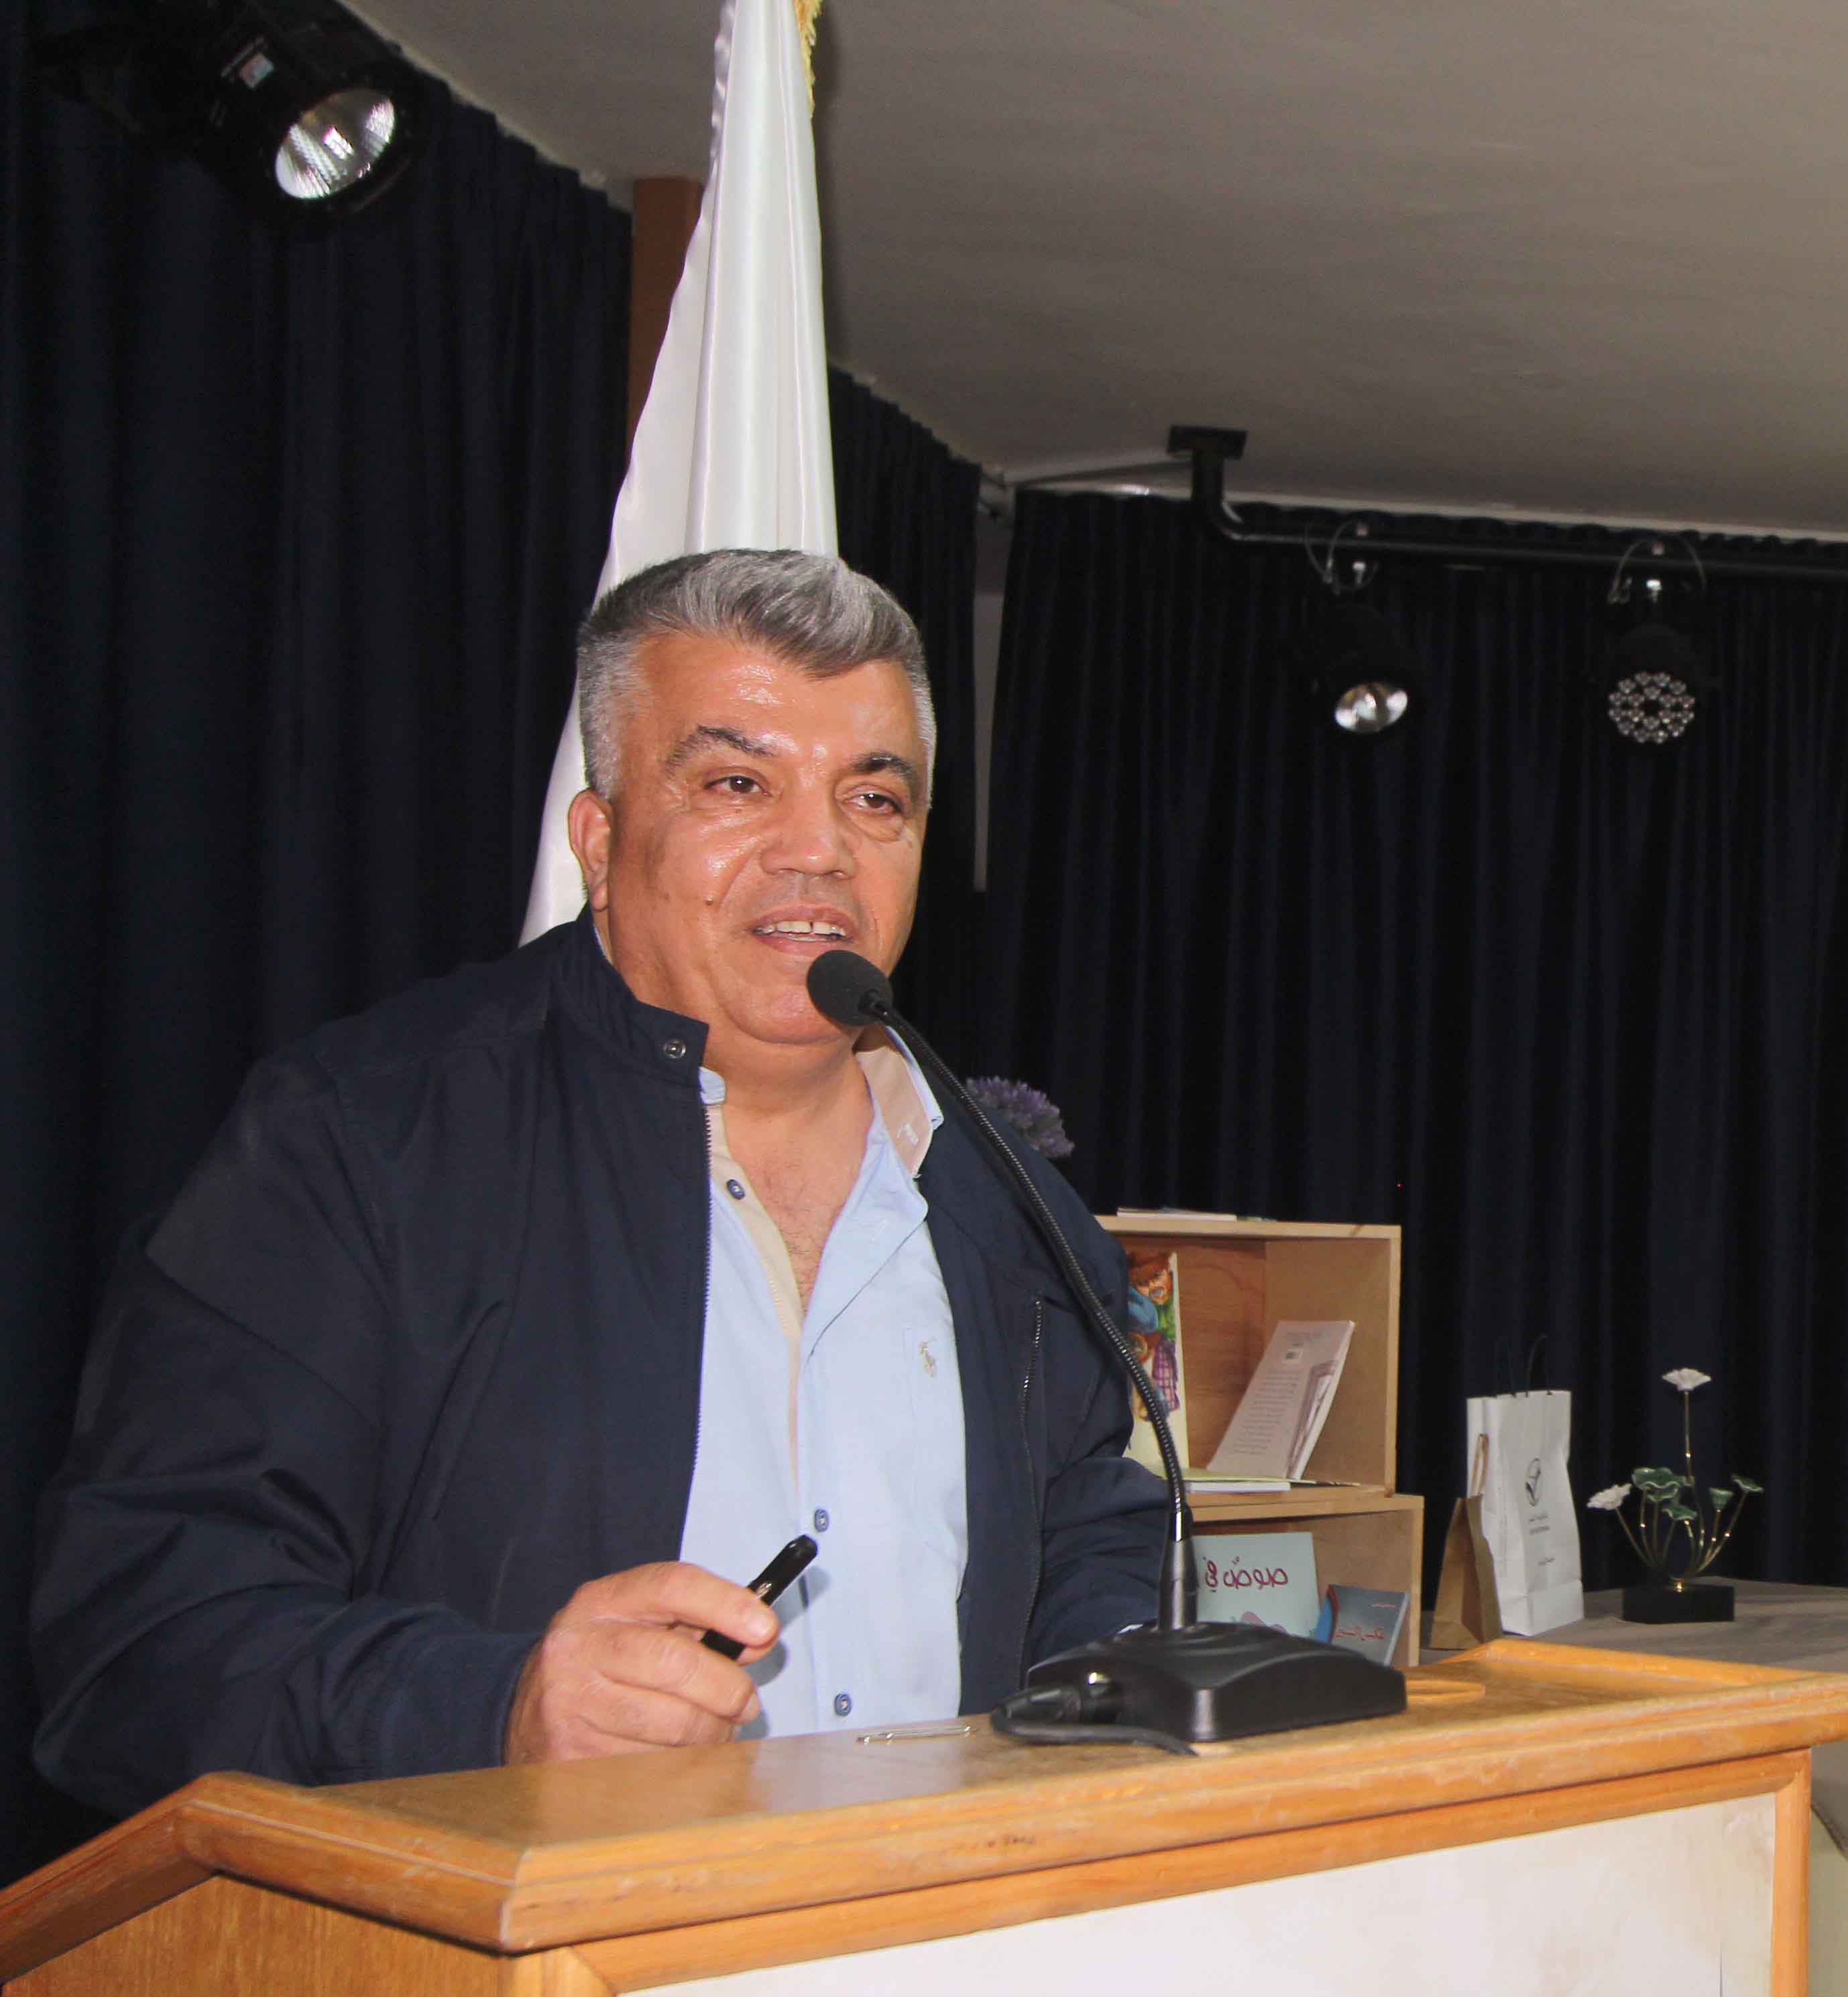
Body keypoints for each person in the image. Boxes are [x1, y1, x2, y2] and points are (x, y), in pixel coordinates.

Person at [30, 550, 1163, 1813]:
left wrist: (1111, 1687)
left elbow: (1092, 1528)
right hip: (513, 1933)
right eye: (738, 783)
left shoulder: (1007, 1201)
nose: (821, 851)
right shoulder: (357, 1143)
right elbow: (137, 1639)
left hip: (936, 1923)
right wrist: (493, 1708)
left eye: (874, 799)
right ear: (600, 837)